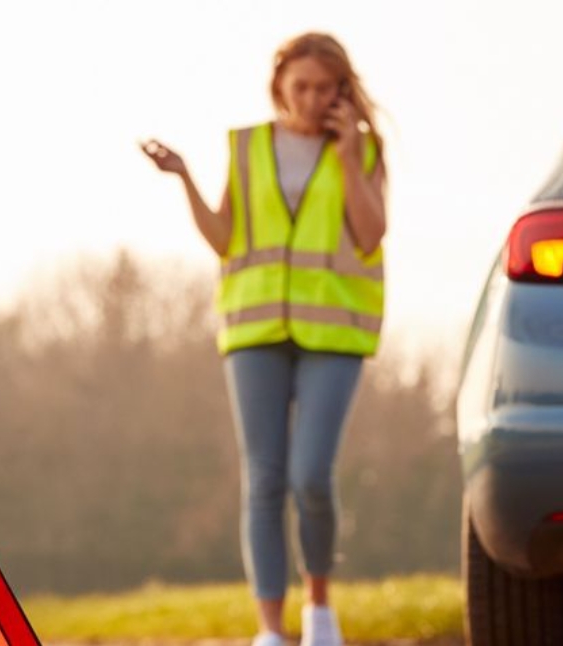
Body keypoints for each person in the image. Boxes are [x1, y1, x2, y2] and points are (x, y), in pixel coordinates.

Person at [141, 32, 388, 646]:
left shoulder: (362, 149)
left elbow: (369, 234)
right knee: (265, 479)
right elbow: (225, 237)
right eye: (299, 86)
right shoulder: (249, 148)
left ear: (341, 92)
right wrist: (184, 178)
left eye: (323, 88)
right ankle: (271, 632)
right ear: (279, 86)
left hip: (334, 332)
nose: (309, 98)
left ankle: (321, 611)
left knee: (311, 475)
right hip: (253, 329)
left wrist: (351, 154)